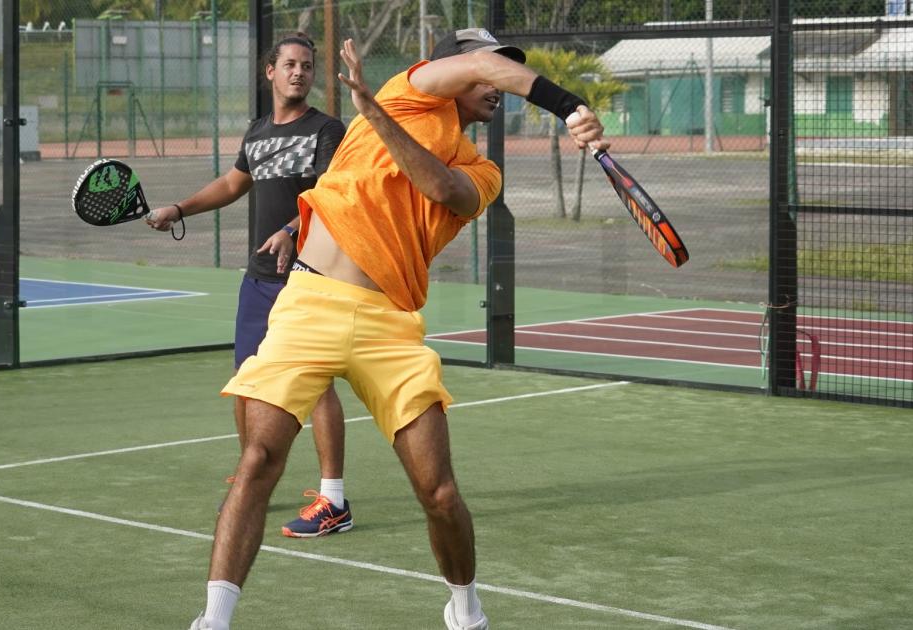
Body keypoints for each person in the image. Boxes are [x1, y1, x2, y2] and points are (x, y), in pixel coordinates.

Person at [188, 28, 608, 630]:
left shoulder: (483, 169)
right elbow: (490, 71)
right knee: (258, 460)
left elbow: (441, 187)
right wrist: (569, 107)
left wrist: (375, 117)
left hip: (390, 324)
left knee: (438, 492)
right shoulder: (407, 90)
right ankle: (213, 620)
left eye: (499, 73)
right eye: (484, 70)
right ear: (452, 71)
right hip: (310, 302)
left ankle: (466, 610)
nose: (496, 84)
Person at [145, 34, 354, 538]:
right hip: (259, 279)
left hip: (310, 277)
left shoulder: (327, 130)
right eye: (290, 64)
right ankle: (253, 478)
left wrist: (291, 231)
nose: (299, 72)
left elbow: (333, 196)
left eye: (307, 65)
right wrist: (179, 208)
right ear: (270, 72)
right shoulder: (257, 132)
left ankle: (333, 500)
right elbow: (231, 184)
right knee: (247, 381)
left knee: (316, 385)